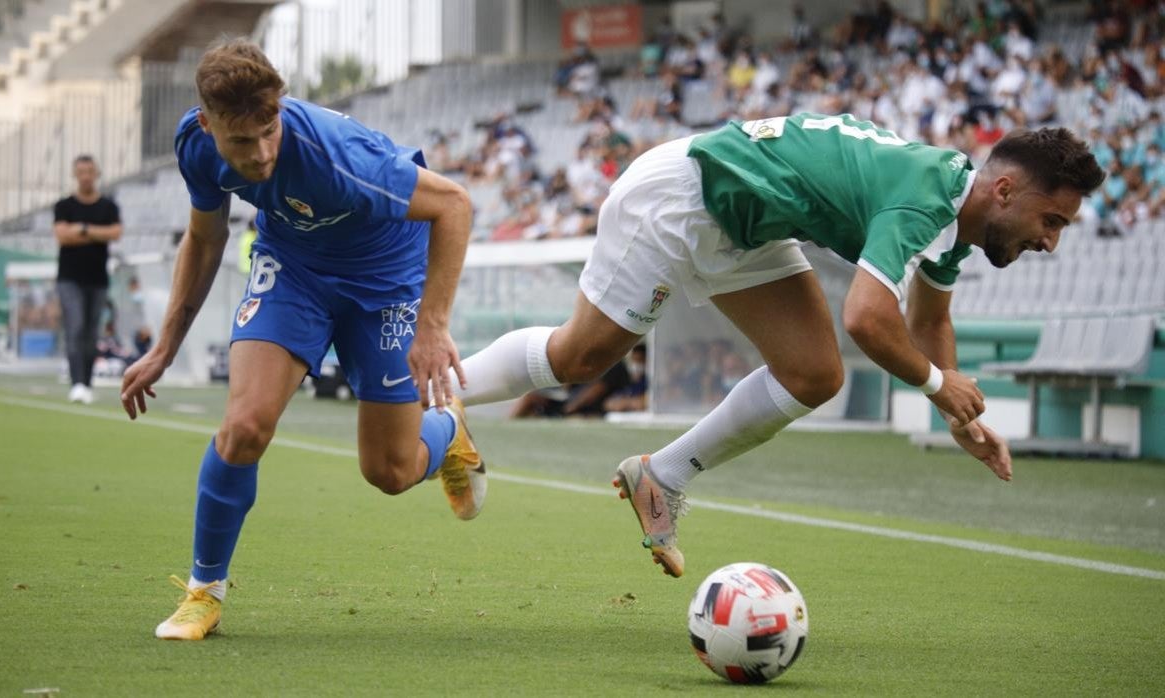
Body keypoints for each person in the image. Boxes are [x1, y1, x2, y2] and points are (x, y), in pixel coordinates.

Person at [450, 113, 1105, 578]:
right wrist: (938, 385)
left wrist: (961, 412)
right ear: (1006, 191)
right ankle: (437, 390)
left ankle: (661, 475)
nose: (1051, 241)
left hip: (748, 226)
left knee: (813, 374)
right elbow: (869, 319)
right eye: (1052, 221)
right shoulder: (925, 201)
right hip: (685, 196)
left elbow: (929, 321)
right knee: (581, 358)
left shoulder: (956, 219)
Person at [118, 38, 484, 641]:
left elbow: (454, 204)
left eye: (270, 131)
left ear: (280, 109)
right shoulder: (194, 147)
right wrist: (164, 348)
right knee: (244, 427)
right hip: (295, 269)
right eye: (242, 141)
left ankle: (448, 431)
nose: (261, 154)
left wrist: (432, 325)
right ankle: (204, 593)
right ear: (207, 126)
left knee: (390, 472)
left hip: (385, 278)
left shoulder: (337, 156)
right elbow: (206, 239)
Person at [53, 154, 122, 404]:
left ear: (97, 174)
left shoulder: (108, 206)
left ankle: (88, 383)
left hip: (98, 279)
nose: (85, 176)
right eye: (81, 171)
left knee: (92, 333)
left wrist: (81, 229)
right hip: (69, 278)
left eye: (90, 171)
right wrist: (96, 234)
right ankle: (77, 383)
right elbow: (62, 236)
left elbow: (115, 232)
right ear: (75, 174)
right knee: (76, 326)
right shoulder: (64, 206)